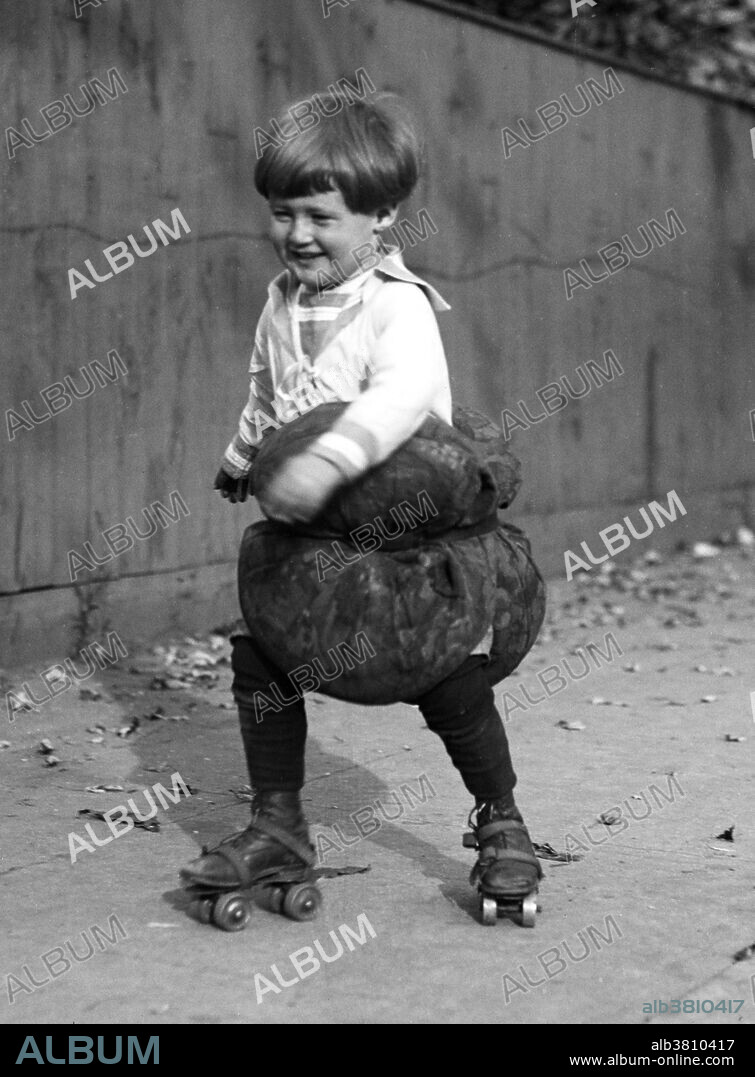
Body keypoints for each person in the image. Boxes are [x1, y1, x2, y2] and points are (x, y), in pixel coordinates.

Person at [180, 92, 542, 920]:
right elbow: (270, 392)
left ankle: (501, 822)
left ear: (380, 217)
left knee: (444, 678)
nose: (297, 233)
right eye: (281, 213)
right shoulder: (283, 301)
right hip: (318, 535)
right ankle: (278, 823)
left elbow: (402, 398)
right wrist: (244, 454)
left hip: (410, 535)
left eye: (320, 216)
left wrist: (331, 459)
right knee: (262, 655)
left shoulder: (394, 304)